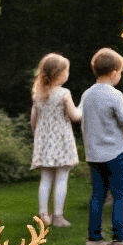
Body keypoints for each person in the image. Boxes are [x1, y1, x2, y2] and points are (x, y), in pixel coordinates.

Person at [80, 47, 123, 245]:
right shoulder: (115, 95)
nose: (120, 76)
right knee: (120, 195)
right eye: (120, 72)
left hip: (94, 154)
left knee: (98, 195)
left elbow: (83, 119)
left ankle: (94, 237)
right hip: (116, 152)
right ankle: (120, 236)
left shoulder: (87, 94)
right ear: (114, 72)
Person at [30, 53, 82, 228]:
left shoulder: (38, 94)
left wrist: (40, 136)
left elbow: (33, 121)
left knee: (45, 178)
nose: (68, 73)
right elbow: (74, 116)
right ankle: (58, 217)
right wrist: (82, 107)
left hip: (43, 142)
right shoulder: (64, 93)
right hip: (61, 142)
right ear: (59, 74)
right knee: (61, 177)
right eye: (66, 70)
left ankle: (43, 216)